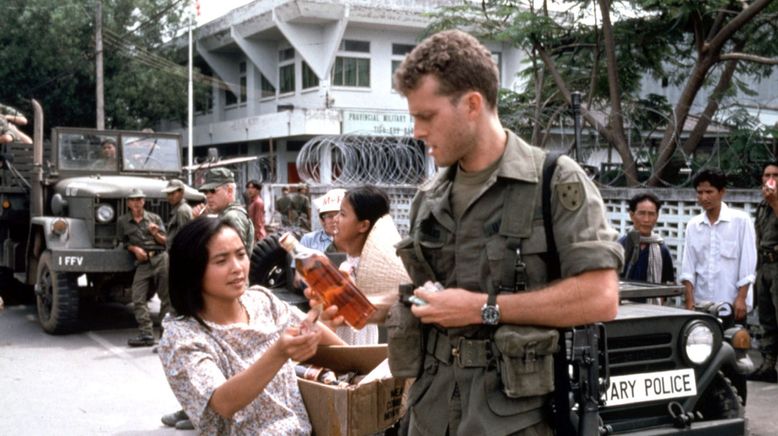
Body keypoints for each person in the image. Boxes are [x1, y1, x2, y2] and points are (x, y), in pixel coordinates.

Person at [313, 30, 622, 435]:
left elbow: (600, 297)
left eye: (427, 116)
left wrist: (483, 308)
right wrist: (365, 306)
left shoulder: (552, 182)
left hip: (516, 417)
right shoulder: (431, 197)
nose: (417, 132)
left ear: (472, 104)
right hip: (431, 410)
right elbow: (430, 295)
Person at [157, 217, 345, 434]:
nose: (237, 268)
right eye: (221, 260)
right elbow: (223, 402)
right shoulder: (182, 336)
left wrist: (360, 363)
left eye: (240, 255)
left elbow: (314, 331)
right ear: (193, 270)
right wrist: (279, 353)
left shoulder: (261, 300)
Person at [329, 186, 410, 345]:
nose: (335, 219)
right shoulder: (346, 267)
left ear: (363, 226)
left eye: (343, 214)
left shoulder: (376, 276)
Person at [680, 168, 756, 321]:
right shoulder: (693, 225)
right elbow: (688, 268)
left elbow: (748, 265)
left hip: (731, 305)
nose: (704, 197)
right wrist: (690, 302)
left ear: (722, 192)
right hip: (701, 307)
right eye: (700, 192)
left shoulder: (740, 221)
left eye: (709, 192)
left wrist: (741, 298)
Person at [117, 188, 170, 347]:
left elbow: (165, 241)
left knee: (166, 298)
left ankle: (166, 335)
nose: (137, 203)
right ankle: (146, 334)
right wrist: (134, 249)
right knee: (138, 298)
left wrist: (155, 234)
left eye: (139, 200)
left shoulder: (154, 218)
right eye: (133, 200)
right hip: (143, 263)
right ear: (128, 203)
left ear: (144, 202)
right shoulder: (123, 221)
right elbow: (123, 242)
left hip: (160, 258)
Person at [750, 161, 778, 383]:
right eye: (767, 174)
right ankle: (768, 364)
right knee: (766, 318)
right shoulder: (762, 206)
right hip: (765, 266)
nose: (770, 178)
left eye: (775, 175)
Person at [193, 168, 255, 253]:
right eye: (206, 192)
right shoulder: (225, 214)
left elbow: (232, 256)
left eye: (212, 191)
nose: (208, 196)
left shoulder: (232, 217)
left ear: (229, 191)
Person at [619, 192, 675, 284]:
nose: (646, 219)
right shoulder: (620, 246)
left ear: (657, 216)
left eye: (651, 214)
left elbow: (667, 284)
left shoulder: (661, 249)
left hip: (652, 298)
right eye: (641, 213)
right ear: (632, 216)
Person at [299, 188, 346, 253]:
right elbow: (298, 262)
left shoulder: (356, 240)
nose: (335, 220)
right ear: (322, 220)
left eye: (339, 215)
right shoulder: (309, 239)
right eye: (330, 216)